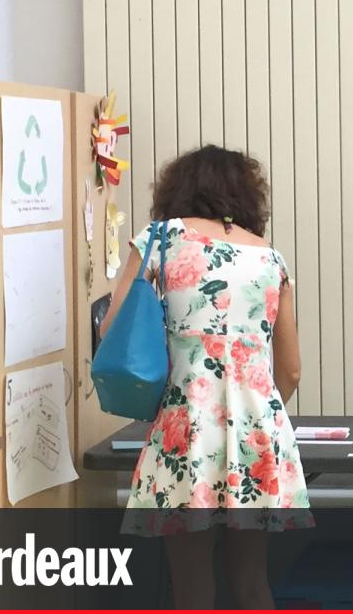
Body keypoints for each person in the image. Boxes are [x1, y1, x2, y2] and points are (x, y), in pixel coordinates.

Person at [100, 145, 311, 609]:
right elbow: (291, 369)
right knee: (252, 580)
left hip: (187, 427)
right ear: (247, 196)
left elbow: (112, 330)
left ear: (178, 190)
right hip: (257, 430)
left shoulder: (161, 239)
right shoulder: (270, 259)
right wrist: (256, 407)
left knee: (191, 585)